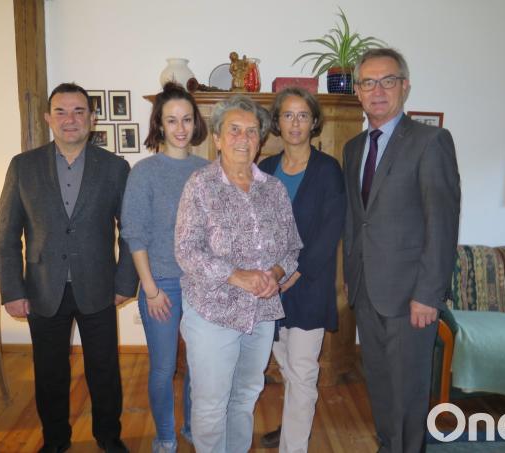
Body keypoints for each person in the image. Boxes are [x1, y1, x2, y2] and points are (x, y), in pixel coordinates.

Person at [0, 82, 138, 453]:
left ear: (92, 119)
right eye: (61, 111)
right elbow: (7, 234)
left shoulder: (115, 168)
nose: (70, 119)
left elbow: (130, 232)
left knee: (104, 372)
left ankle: (109, 437)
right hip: (43, 287)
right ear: (48, 118)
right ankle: (55, 440)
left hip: (99, 286)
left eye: (78, 111)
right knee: (50, 373)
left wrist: (126, 280)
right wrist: (12, 290)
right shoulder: (22, 167)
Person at [342, 48, 461, 453]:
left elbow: (442, 225)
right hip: (368, 291)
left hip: (412, 297)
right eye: (368, 82)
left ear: (405, 86)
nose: (378, 91)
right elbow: (357, 220)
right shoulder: (354, 148)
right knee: (379, 387)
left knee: (408, 395)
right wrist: (350, 280)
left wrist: (428, 295)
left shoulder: (431, 142)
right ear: (357, 91)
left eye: (388, 80)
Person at [175, 94, 303, 453]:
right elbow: (186, 250)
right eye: (234, 130)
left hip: (260, 313)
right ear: (217, 138)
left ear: (260, 140)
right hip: (212, 311)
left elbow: (292, 248)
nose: (243, 138)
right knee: (212, 403)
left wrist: (276, 272)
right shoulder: (200, 185)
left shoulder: (274, 190)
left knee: (246, 395)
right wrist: (237, 276)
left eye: (251, 131)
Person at [120, 82, 209, 453]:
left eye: (186, 119)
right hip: (162, 285)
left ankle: (191, 426)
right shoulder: (145, 172)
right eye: (171, 120)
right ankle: (166, 435)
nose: (180, 128)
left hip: (202, 284)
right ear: (159, 124)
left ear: (195, 123)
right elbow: (133, 235)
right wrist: (150, 288)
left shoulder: (208, 170)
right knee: (163, 367)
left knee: (200, 366)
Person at [257, 87, 345, 453]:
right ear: (277, 122)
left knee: (304, 371)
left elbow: (330, 230)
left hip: (307, 287)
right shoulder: (264, 169)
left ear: (313, 122)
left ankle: (293, 446)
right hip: (268, 290)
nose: (295, 123)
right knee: (287, 368)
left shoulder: (327, 170)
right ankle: (295, 425)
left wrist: (293, 274)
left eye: (303, 115)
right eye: (288, 115)